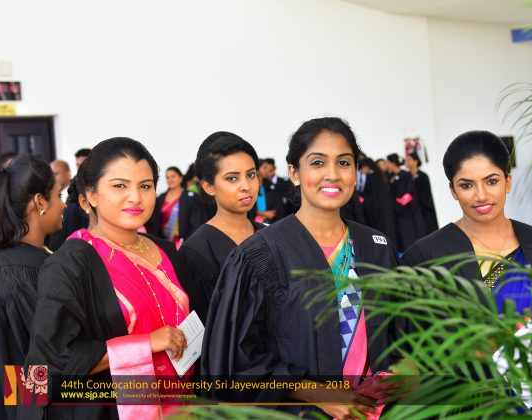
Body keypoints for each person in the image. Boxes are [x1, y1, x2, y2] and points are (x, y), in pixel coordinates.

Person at [203, 117, 401, 418]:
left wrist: (398, 376)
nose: (332, 174)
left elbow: (403, 338)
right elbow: (240, 361)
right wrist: (317, 393)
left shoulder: (378, 247)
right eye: (317, 162)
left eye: (344, 162)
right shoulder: (260, 255)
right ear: (294, 173)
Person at [24, 138, 201, 419]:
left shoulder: (167, 250)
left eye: (145, 186)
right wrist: (146, 343)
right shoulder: (70, 265)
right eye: (120, 186)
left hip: (183, 406)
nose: (136, 197)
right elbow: (47, 368)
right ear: (90, 196)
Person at [403, 130, 532, 314]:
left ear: (508, 182)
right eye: (466, 185)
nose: (481, 195)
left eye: (492, 181)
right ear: (453, 191)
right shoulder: (427, 257)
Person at [0, 155, 65, 420]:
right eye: (58, 195)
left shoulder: (14, 260)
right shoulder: (20, 276)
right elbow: (29, 374)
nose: (64, 204)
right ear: (40, 202)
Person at [179, 132, 263, 323]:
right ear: (209, 186)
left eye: (251, 175)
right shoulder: (195, 252)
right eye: (232, 178)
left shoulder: (268, 234)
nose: (246, 186)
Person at [146, 166, 205, 248]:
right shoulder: (160, 198)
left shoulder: (191, 197)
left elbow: (196, 223)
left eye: (173, 176)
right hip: (163, 242)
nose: (170, 180)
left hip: (183, 244)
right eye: (167, 177)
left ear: (181, 178)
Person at [387, 153, 423, 251]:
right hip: (396, 211)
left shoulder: (405, 175)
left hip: (405, 210)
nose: (387, 165)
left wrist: (399, 201)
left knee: (408, 235)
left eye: (388, 162)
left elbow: (408, 192)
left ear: (393, 163)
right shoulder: (391, 176)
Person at [357, 157, 397, 242]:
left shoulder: (371, 177)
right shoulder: (379, 176)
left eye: (361, 168)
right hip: (385, 210)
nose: (361, 171)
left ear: (367, 167)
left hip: (377, 211)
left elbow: (370, 196)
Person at [404, 152, 439, 236]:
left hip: (424, 208)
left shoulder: (423, 176)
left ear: (416, 161)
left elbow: (425, 193)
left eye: (409, 160)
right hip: (412, 210)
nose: (406, 162)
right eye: (406, 160)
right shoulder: (406, 176)